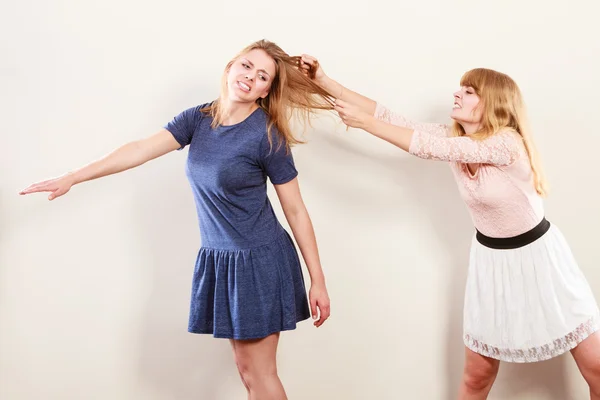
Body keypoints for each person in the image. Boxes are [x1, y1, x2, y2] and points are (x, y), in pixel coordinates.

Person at [19, 39, 333, 400]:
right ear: (230, 67)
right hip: (223, 259)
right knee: (248, 373)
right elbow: (139, 149)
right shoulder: (198, 119)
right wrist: (74, 176)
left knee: (259, 374)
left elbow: (295, 210)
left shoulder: (265, 135)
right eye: (246, 66)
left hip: (258, 261)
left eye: (262, 76)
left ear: (266, 91)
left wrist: (318, 280)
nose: (250, 77)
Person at [300, 55, 600, 399]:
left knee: (596, 369)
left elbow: (429, 147)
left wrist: (364, 124)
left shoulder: (506, 142)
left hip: (539, 261)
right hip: (492, 264)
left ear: (494, 103)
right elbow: (389, 116)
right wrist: (324, 81)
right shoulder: (454, 139)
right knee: (477, 377)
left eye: (469, 91)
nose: (457, 94)